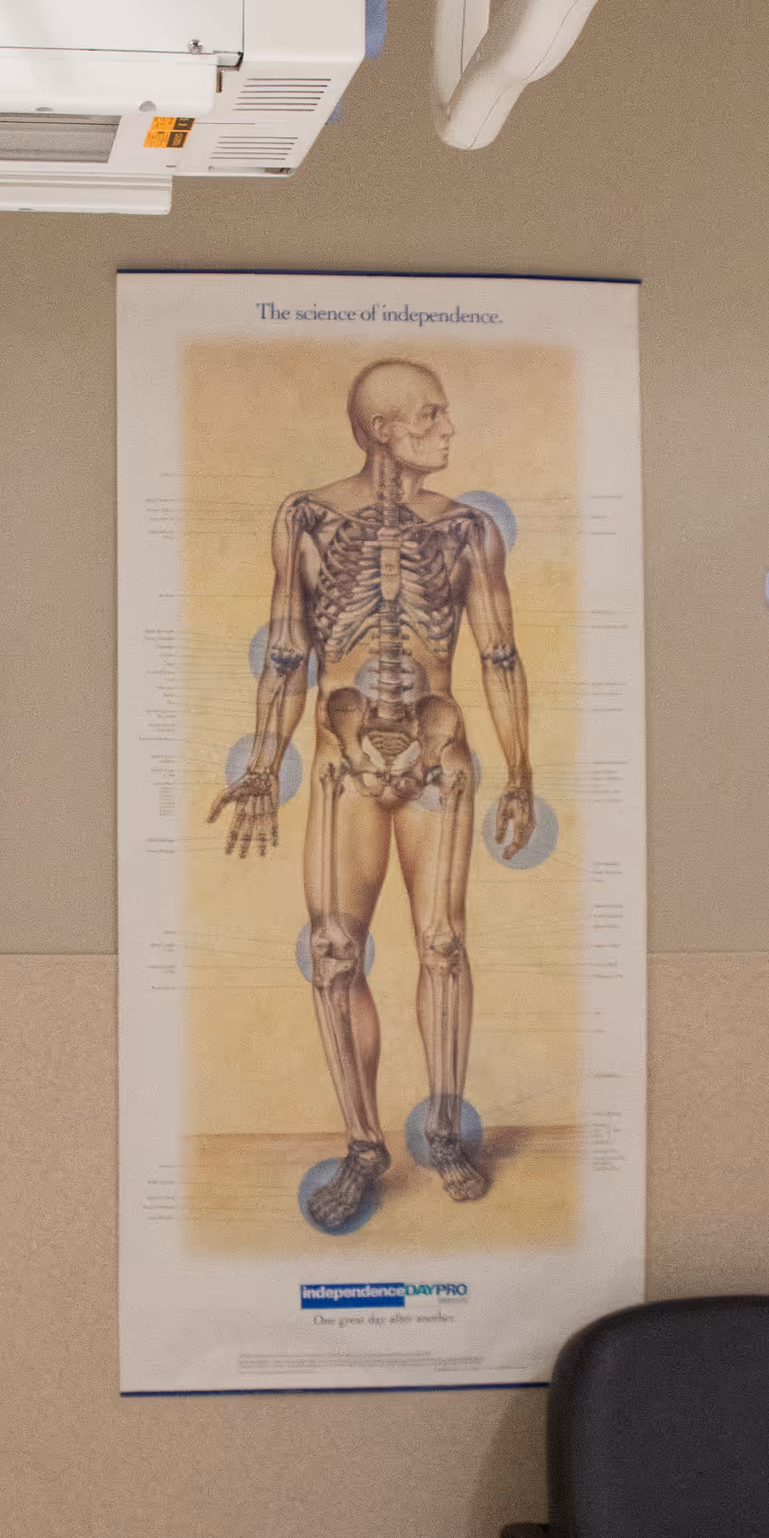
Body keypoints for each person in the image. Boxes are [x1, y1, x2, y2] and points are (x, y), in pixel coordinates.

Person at [210, 358, 534, 1231]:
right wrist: (260, 766)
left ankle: (443, 1129)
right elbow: (288, 649)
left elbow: (500, 655)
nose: (447, 430)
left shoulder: (468, 531)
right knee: (333, 950)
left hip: (439, 757)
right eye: (430, 416)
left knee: (440, 941)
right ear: (384, 428)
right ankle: (363, 1145)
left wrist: (521, 771)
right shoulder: (308, 519)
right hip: (344, 759)